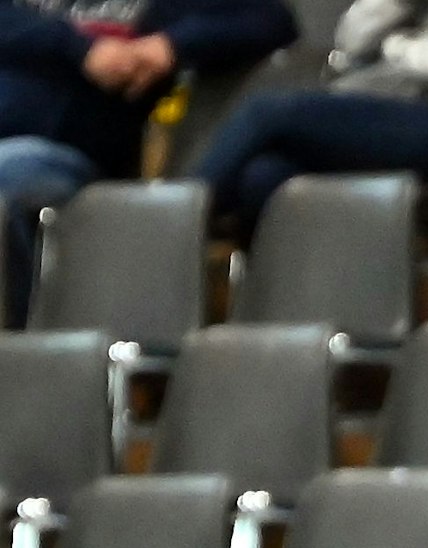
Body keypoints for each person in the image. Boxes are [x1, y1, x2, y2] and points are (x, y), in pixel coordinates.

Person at [0, 0, 296, 326]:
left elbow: (269, 18)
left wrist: (169, 46)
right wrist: (80, 49)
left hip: (59, 157)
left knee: (10, 173)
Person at [194, 0, 428, 238]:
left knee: (269, 112)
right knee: (265, 177)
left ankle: (174, 223)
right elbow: (352, 39)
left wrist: (395, 47)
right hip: (377, 116)